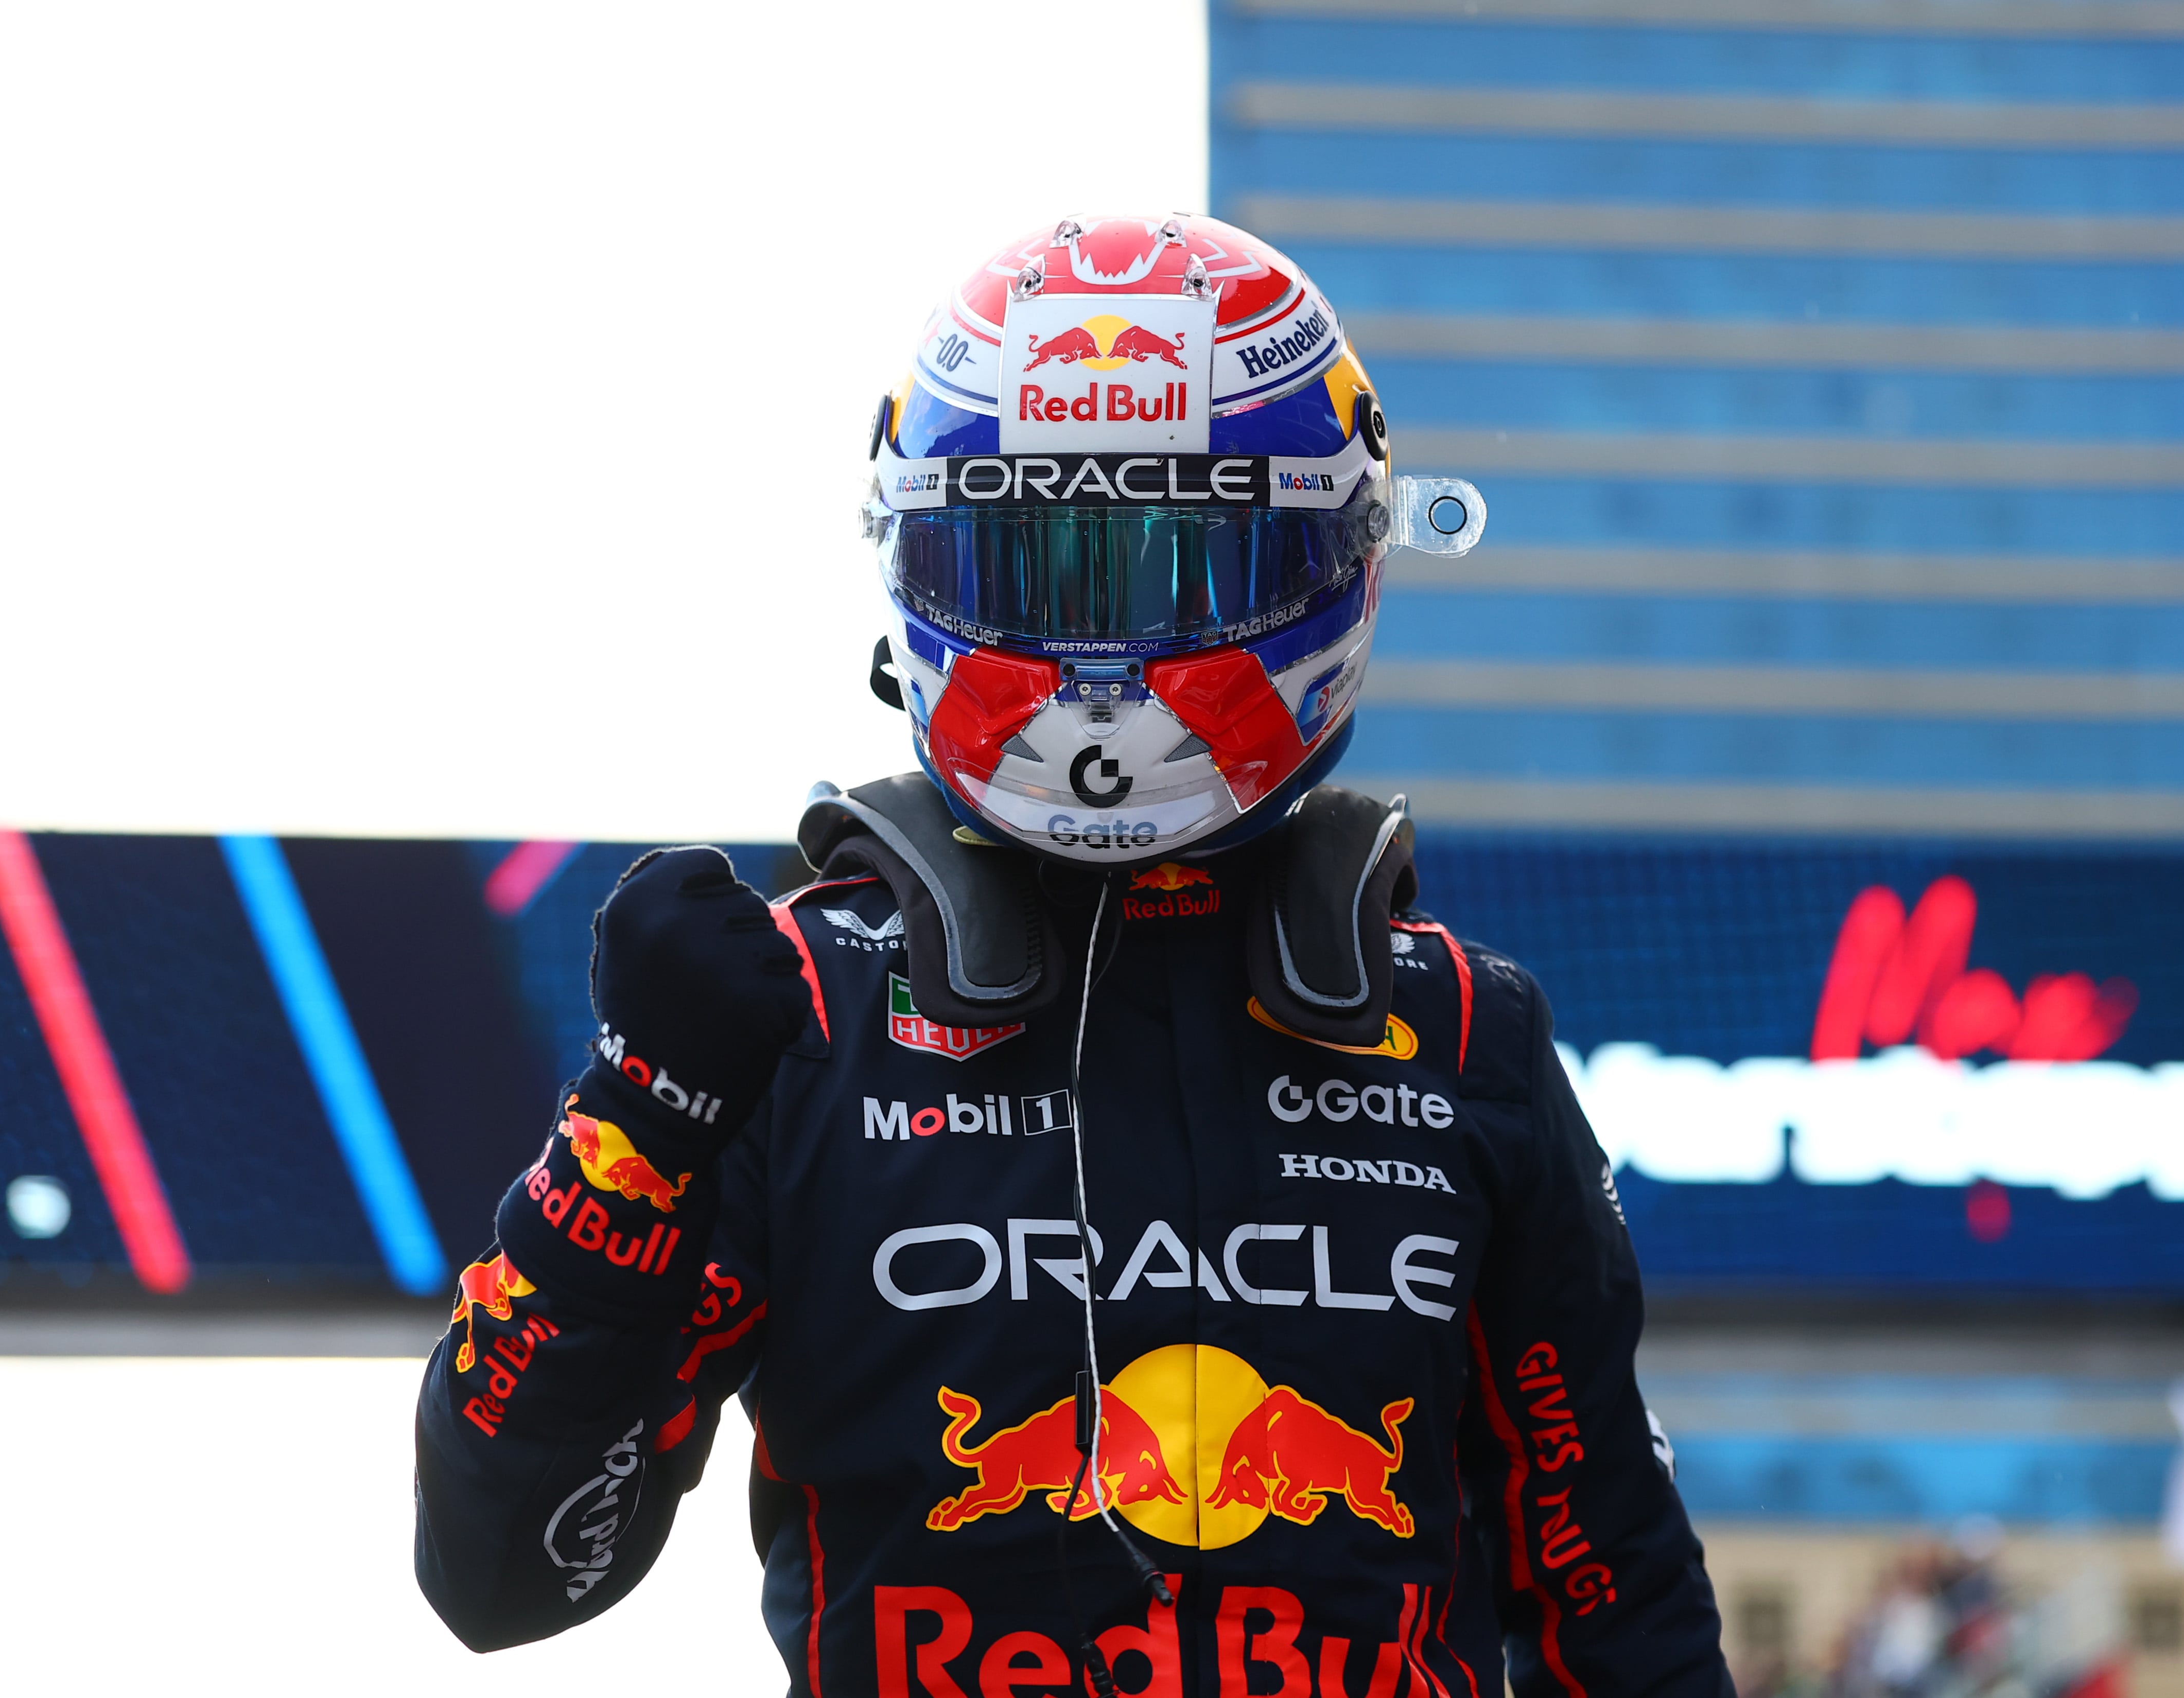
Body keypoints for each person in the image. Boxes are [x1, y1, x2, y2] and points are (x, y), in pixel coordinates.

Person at [412, 214, 1734, 1698]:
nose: (1101, 655)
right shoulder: (788, 1016)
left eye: (1177, 565)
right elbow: (505, 1572)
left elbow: (1613, 1596)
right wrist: (637, 1121)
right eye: (1032, 562)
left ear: (1335, 551)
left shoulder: (1461, 1029)